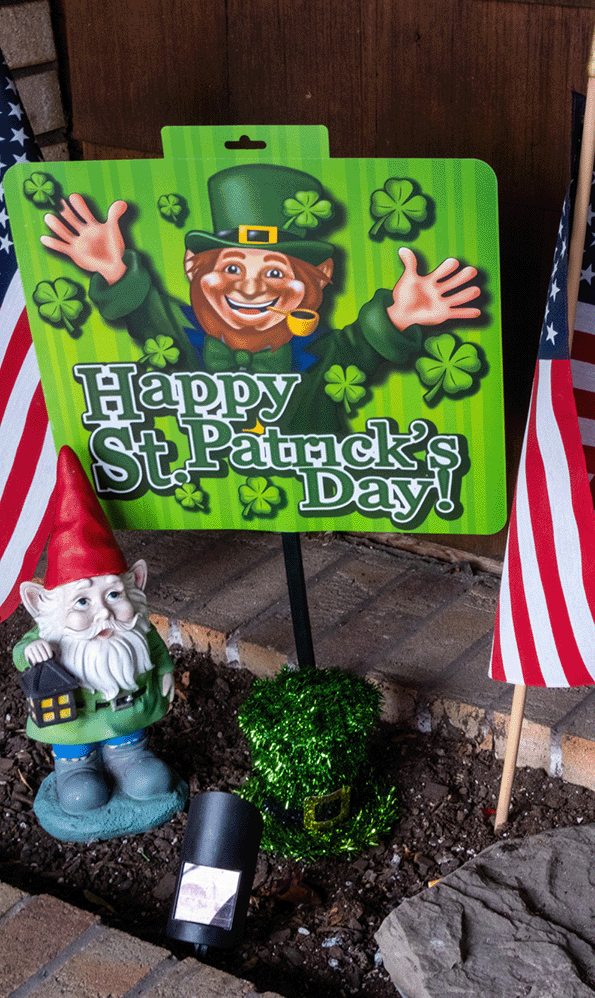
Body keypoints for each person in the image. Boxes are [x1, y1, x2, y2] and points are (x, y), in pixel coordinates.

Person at [39, 163, 482, 435]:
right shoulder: (182, 341)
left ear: (320, 279)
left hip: (314, 485)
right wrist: (113, 269)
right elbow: (149, 315)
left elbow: (357, 349)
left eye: (275, 273)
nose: (250, 288)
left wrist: (401, 315)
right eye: (231, 267)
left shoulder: (319, 358)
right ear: (193, 265)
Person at [13, 446, 176, 815]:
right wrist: (33, 650)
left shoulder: (132, 629)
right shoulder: (55, 638)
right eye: (82, 602)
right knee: (83, 796)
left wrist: (165, 672)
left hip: (126, 717)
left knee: (149, 781)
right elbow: (22, 653)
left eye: (114, 594)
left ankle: (128, 758)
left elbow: (153, 647)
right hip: (73, 727)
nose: (103, 611)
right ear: (43, 604)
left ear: (136, 583)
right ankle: (76, 767)